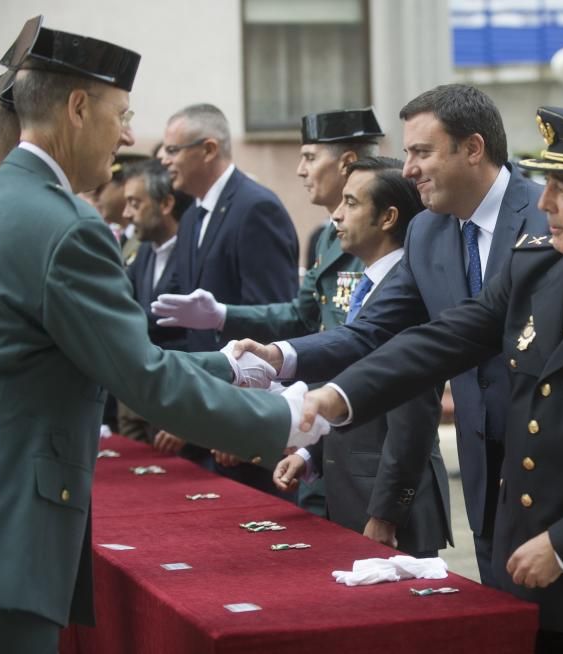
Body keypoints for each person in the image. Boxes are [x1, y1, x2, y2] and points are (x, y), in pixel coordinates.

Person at [288, 106, 563, 652]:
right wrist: (339, 395)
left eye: (562, 188)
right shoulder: (535, 267)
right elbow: (443, 339)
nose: (543, 203)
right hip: (519, 567)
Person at [0, 18, 311, 653]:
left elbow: (81, 355)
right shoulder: (67, 226)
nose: (128, 136)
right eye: (121, 114)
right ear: (76, 108)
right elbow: (142, 376)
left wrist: (231, 368)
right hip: (3, 538)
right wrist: (283, 419)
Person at [233, 84, 547, 586]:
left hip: (552, 466)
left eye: (421, 152)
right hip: (485, 476)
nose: (407, 169)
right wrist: (279, 355)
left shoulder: (548, 216)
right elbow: (372, 331)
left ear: (472, 148)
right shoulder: (429, 231)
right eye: (407, 153)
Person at [152, 107, 382, 513]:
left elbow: (365, 344)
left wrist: (256, 416)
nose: (299, 170)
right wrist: (223, 315)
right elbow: (300, 315)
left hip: (362, 441)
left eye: (310, 158)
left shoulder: (383, 235)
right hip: (315, 440)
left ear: (346, 162)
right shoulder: (327, 237)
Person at [274, 157, 451, 556]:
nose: (336, 215)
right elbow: (354, 391)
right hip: (352, 490)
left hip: (387, 506)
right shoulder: (372, 284)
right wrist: (312, 453)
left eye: (351, 203)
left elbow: (412, 414)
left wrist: (387, 512)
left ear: (388, 217)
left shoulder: (407, 290)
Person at [156, 102, 300, 495]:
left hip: (245, 429)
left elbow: (277, 323)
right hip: (207, 420)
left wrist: (238, 419)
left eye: (172, 150)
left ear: (208, 149)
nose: (162, 160)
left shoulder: (256, 207)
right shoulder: (191, 217)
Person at [117, 159, 194, 442]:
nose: (127, 214)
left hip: (182, 400)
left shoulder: (191, 251)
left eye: (135, 203)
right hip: (145, 399)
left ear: (165, 204)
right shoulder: (144, 253)